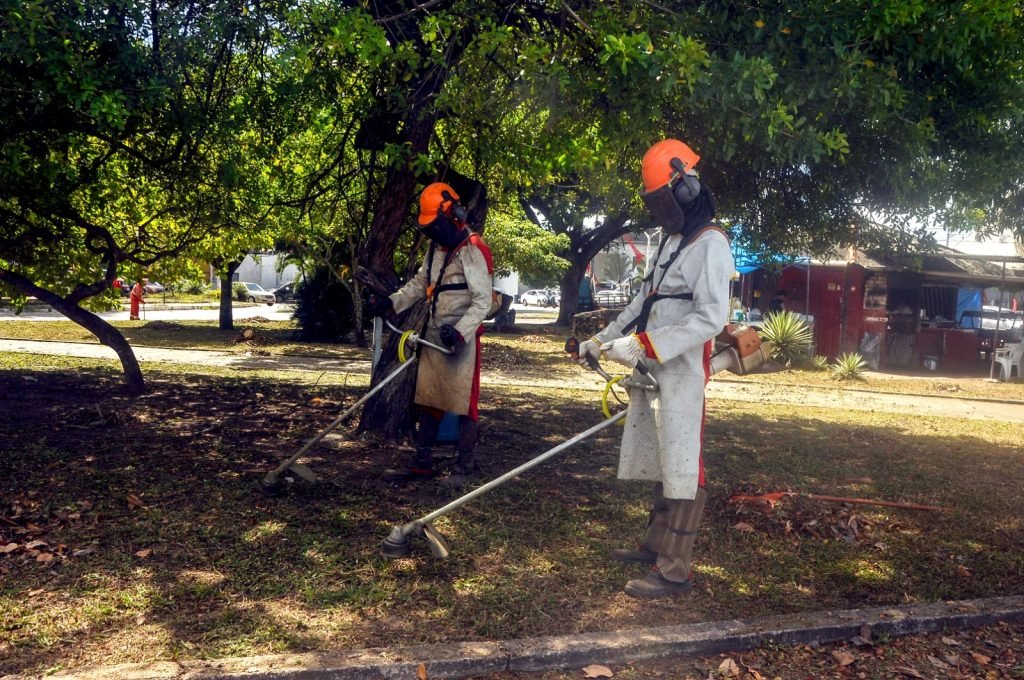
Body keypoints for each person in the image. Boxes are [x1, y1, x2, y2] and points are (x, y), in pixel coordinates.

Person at [576, 139, 734, 599]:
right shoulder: (671, 241)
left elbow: (710, 319)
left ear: (685, 188)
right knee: (664, 455)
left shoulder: (712, 244)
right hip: (655, 367)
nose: (663, 211)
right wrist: (602, 340)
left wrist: (647, 344)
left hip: (684, 369)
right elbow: (643, 303)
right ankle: (654, 546)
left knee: (686, 462)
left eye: (665, 200)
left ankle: (675, 570)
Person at [370, 182, 494, 488]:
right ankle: (422, 462)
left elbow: (483, 301)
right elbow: (420, 282)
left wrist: (462, 332)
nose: (434, 233)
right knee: (429, 397)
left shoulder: (474, 249)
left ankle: (465, 465)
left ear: (455, 215)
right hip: (434, 334)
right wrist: (392, 302)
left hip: (462, 338)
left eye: (437, 225)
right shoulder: (436, 248)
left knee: (465, 402)